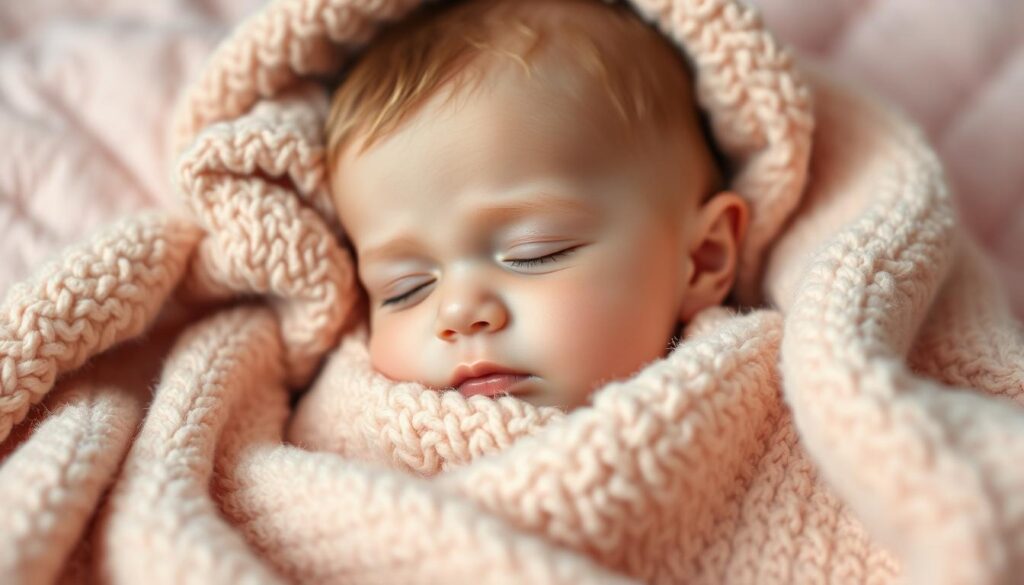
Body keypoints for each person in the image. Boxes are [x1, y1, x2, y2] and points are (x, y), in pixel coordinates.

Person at [324, 0, 749, 411]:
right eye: (404, 288)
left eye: (534, 253)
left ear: (702, 257)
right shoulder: (345, 438)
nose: (456, 311)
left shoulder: (753, 395)